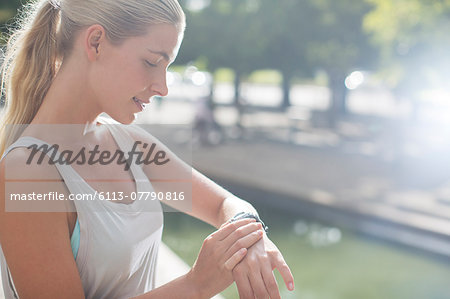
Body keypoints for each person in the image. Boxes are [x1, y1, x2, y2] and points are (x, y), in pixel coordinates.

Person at [0, 0, 294, 298]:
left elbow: (225, 205)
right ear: (96, 42)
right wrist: (197, 283)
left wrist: (247, 229)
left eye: (167, 67)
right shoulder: (26, 171)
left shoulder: (129, 143)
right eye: (152, 62)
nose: (163, 87)